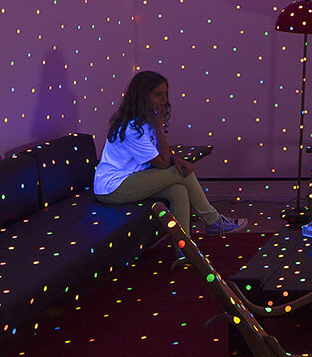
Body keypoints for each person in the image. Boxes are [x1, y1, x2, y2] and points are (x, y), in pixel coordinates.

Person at [94, 70, 247, 236]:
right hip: (113, 187)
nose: (164, 99)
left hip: (132, 178)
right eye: (158, 94)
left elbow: (157, 156)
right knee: (180, 173)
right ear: (143, 97)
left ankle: (184, 247)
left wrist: (175, 159)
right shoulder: (132, 128)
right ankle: (213, 220)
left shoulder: (144, 122)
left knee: (178, 191)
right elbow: (162, 163)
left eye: (165, 93)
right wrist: (159, 128)